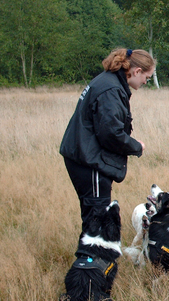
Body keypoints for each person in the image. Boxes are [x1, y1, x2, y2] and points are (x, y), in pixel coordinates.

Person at [60, 48, 155, 248]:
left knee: (94, 215)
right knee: (97, 217)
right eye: (147, 77)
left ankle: (92, 259)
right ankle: (91, 261)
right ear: (137, 71)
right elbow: (110, 133)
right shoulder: (111, 89)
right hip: (89, 160)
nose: (146, 82)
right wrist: (136, 146)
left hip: (85, 156)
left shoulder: (108, 82)